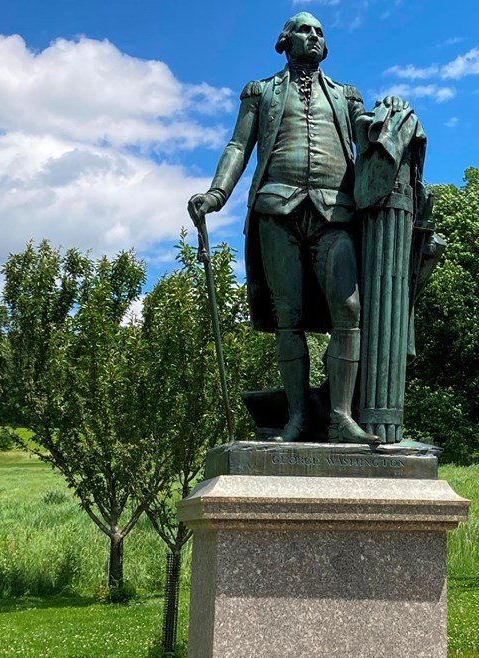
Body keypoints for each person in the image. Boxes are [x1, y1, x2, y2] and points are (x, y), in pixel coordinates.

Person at [188, 11, 408, 443]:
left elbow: (367, 138)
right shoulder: (261, 91)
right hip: (277, 208)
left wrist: (391, 112)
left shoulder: (345, 95)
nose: (314, 36)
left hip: (335, 211)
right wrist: (216, 195)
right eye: (305, 30)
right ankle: (297, 418)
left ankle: (340, 417)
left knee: (349, 312)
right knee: (287, 318)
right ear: (284, 40)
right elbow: (239, 145)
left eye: (320, 32)